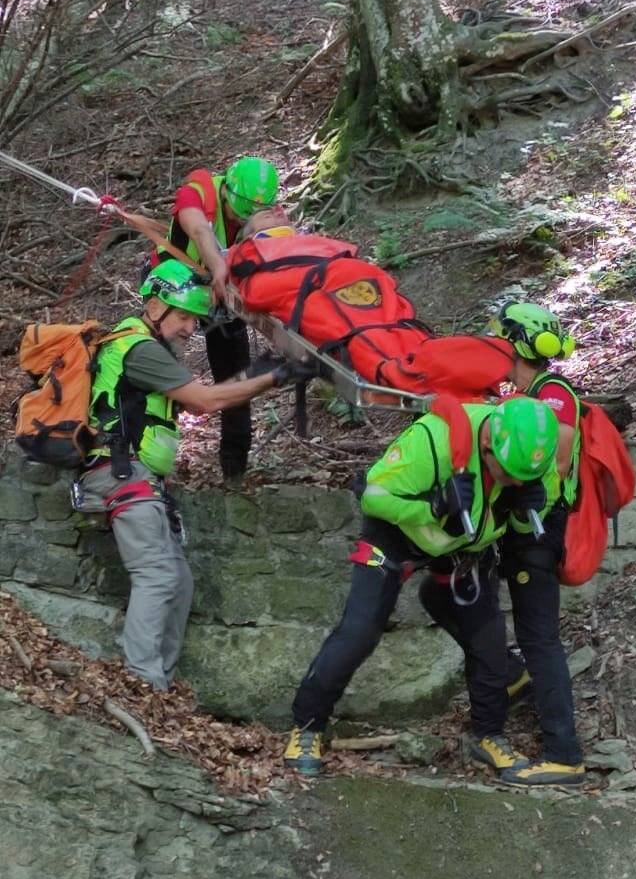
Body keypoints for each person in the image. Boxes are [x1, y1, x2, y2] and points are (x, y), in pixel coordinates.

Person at [283, 395, 559, 778]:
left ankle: (488, 735)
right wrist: (431, 506)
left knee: (490, 639)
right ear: (485, 444)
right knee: (361, 631)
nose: (512, 482)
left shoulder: (532, 461)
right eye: (507, 473)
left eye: (521, 478)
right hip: (398, 534)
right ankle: (307, 726)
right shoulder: (433, 441)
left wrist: (531, 506)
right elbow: (373, 497)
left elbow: (526, 525)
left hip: (463, 545)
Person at [78, 260, 299, 692]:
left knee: (178, 582)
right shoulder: (138, 349)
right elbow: (206, 401)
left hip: (137, 478)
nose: (189, 329)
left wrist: (260, 374)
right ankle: (144, 686)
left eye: (195, 321)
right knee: (158, 575)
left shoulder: (145, 348)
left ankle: (160, 682)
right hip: (121, 474)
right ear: (156, 306)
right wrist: (274, 377)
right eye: (183, 317)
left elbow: (201, 400)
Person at [489, 301, 585, 787]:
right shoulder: (525, 396)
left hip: (538, 534)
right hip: (524, 533)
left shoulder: (555, 396)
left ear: (518, 344)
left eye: (503, 340)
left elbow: (558, 467)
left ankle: (564, 755)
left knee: (541, 640)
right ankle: (511, 675)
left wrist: (521, 515)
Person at [152, 156, 280, 483]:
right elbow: (197, 227)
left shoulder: (265, 215)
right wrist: (217, 263)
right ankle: (149, 457)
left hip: (224, 297)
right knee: (157, 370)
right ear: (227, 192)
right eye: (238, 211)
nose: (241, 218)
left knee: (235, 377)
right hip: (171, 293)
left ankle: (234, 471)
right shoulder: (199, 190)